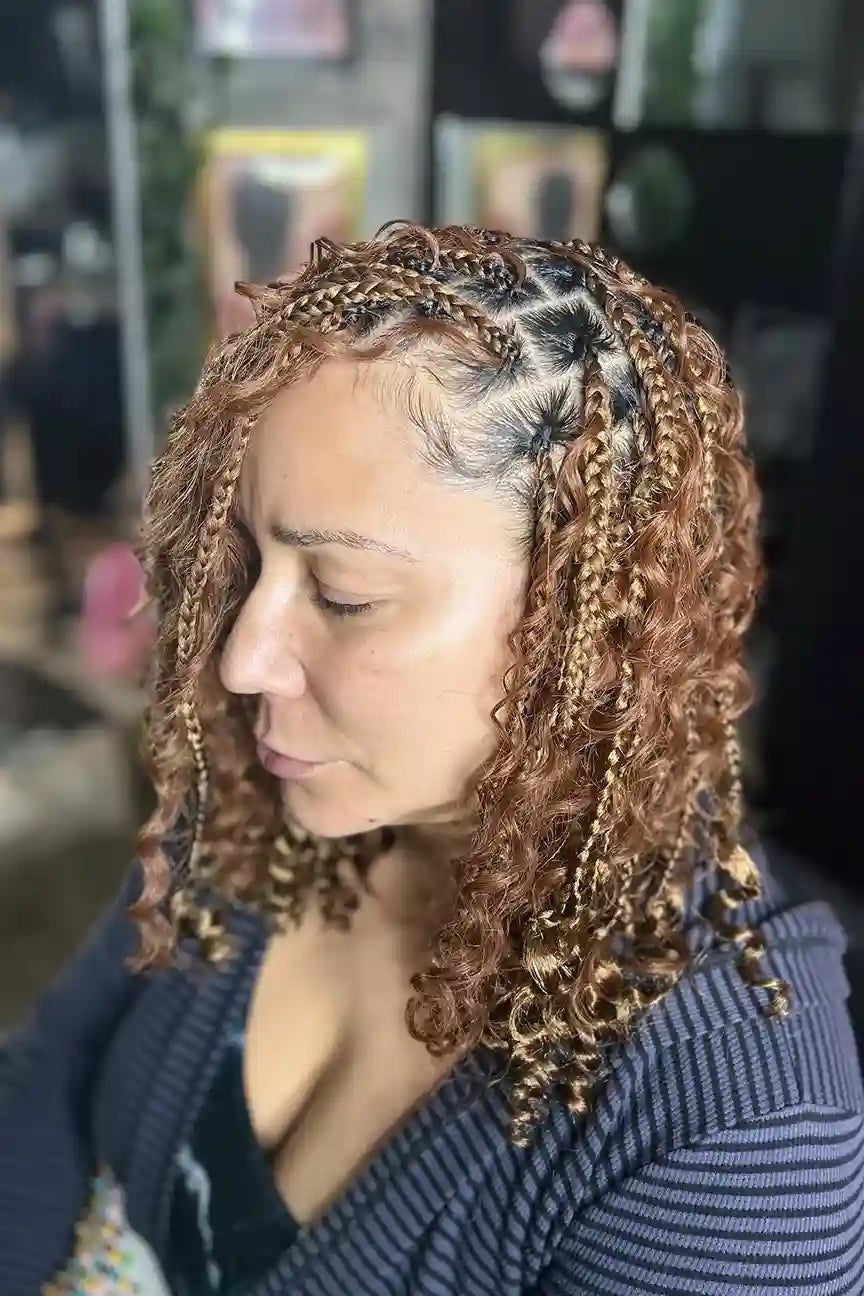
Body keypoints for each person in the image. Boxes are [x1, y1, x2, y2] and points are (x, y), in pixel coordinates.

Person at [2, 222, 862, 1295]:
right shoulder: (262, 794)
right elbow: (48, 1076)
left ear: (592, 624)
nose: (242, 660)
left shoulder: (733, 1131)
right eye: (253, 557)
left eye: (345, 596)